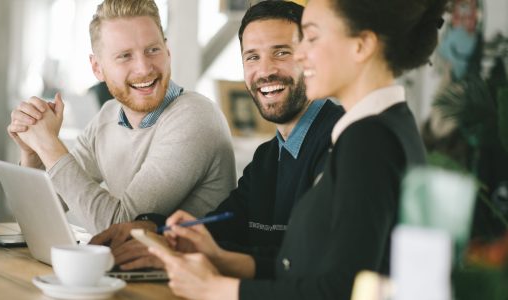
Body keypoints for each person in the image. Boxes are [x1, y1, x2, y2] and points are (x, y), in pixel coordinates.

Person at [150, 0, 445, 298]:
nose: (301, 55)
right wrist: (222, 258)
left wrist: (217, 290)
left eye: (313, 38)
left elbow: (340, 290)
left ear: (361, 46)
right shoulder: (382, 127)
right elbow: (313, 268)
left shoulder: (369, 139)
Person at [89, 1, 344, 272]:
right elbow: (224, 227)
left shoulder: (343, 139)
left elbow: (317, 263)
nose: (265, 70)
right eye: (252, 57)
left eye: (281, 53)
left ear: (310, 57)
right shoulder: (269, 157)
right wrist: (153, 229)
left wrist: (200, 257)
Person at [7, 0, 236, 234]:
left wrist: (49, 146)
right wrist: (34, 155)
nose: (144, 68)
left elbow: (123, 229)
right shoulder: (107, 116)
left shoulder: (195, 117)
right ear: (97, 68)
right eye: (125, 56)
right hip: (128, 268)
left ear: (167, 52)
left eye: (152, 50)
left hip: (191, 269)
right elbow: (36, 214)